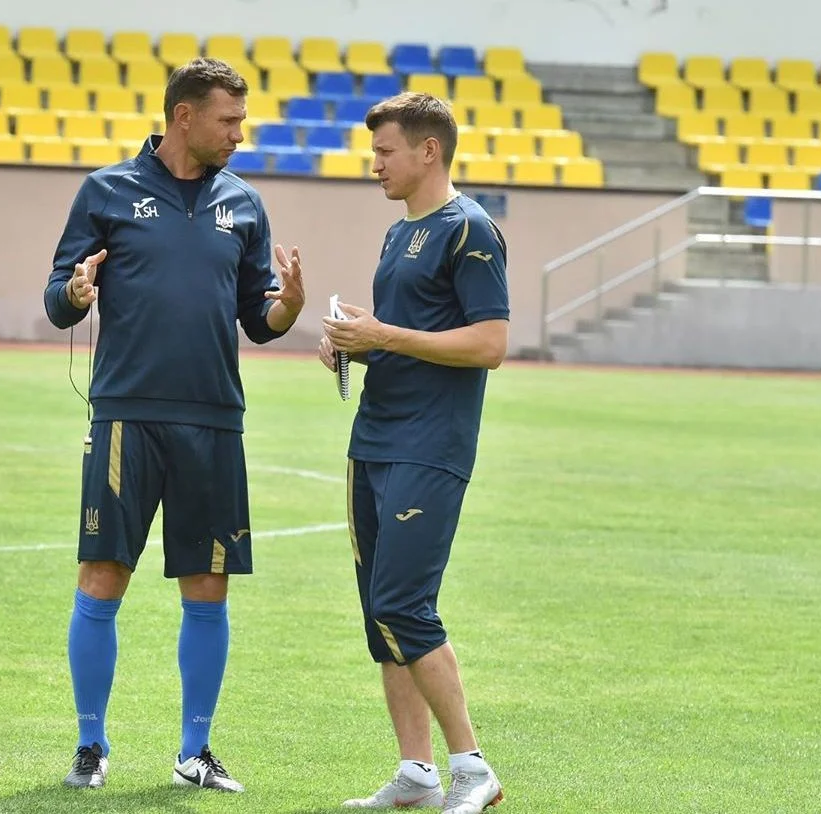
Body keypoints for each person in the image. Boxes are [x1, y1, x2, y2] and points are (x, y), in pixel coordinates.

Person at [42, 57, 305, 792]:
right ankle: (90, 745)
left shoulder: (244, 204)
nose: (240, 134)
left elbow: (259, 319)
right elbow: (58, 299)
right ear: (183, 117)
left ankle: (195, 751)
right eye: (229, 120)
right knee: (102, 577)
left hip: (214, 422)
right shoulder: (106, 191)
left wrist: (287, 306)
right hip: (127, 416)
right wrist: (76, 291)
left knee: (208, 586)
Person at [319, 92, 510, 814]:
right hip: (373, 438)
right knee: (382, 613)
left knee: (404, 603)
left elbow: (490, 343)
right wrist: (356, 346)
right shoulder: (398, 233)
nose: (374, 164)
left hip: (430, 445)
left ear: (429, 151)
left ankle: (473, 769)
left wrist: (384, 336)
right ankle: (417, 772)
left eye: (385, 151)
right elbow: (412, 338)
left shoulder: (471, 230)